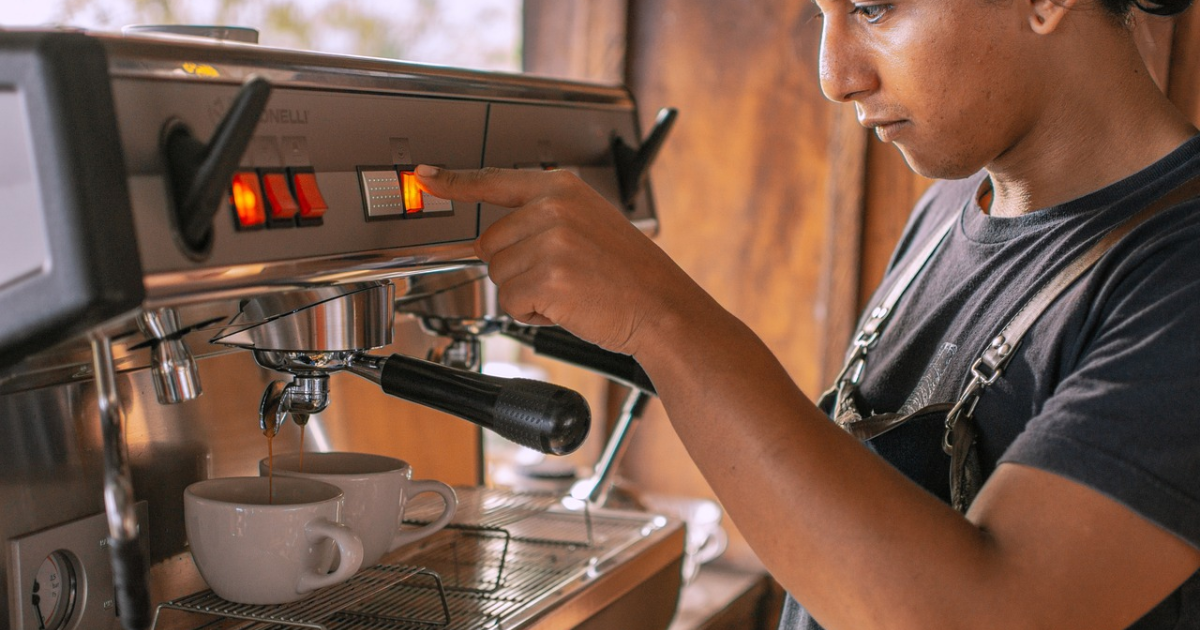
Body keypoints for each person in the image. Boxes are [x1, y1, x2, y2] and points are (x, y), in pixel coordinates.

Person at [415, 0, 1200, 627]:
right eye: (819, 16)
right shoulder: (948, 211)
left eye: (874, 9)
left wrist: (660, 316)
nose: (835, 75)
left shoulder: (1179, 273)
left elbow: (990, 612)